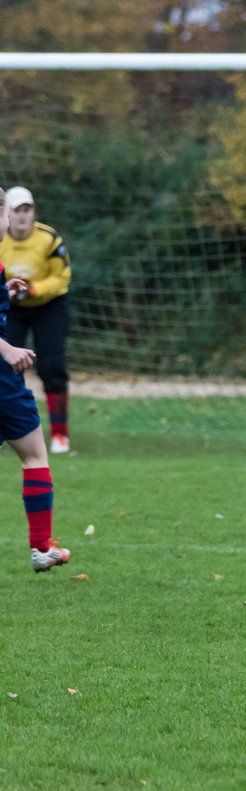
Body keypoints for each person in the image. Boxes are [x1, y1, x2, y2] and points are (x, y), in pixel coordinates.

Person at [0, 187, 72, 573]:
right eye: (6, 214)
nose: (11, 221)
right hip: (2, 376)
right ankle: (41, 547)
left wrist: (5, 293)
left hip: (6, 378)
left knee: (33, 453)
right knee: (33, 455)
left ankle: (43, 548)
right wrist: (7, 349)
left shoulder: (39, 243)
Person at [0, 186, 73, 454]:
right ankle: (12, 430)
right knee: (5, 367)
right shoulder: (1, 239)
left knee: (52, 365)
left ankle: (60, 435)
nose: (21, 216)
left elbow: (62, 277)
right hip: (11, 308)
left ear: (34, 212)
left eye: (26, 209)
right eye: (16, 210)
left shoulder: (49, 238)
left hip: (49, 307)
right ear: (6, 213)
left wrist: (34, 290)